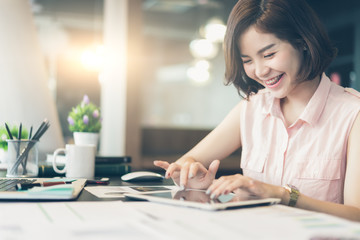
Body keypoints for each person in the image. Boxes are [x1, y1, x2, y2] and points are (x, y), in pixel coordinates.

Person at [154, 0, 360, 221]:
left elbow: (357, 215)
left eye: (269, 54)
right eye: (247, 60)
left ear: (302, 42)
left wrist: (283, 195)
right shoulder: (253, 107)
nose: (260, 71)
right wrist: (192, 178)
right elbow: (190, 160)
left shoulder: (352, 113)